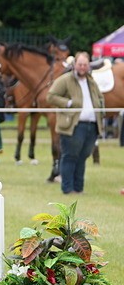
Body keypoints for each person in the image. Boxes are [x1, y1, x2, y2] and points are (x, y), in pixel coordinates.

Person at [47, 51, 106, 195]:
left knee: (83, 157)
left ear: (88, 66)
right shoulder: (65, 79)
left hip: (91, 126)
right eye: (80, 64)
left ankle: (78, 188)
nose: (82, 67)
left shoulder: (91, 81)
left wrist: (100, 109)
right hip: (73, 126)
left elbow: (100, 98)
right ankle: (67, 189)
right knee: (70, 156)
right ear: (75, 65)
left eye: (85, 64)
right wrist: (67, 103)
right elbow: (51, 96)